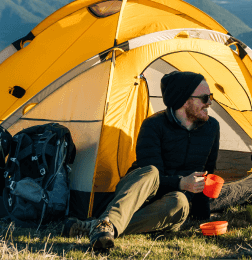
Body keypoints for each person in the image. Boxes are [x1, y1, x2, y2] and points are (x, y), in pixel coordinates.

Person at [64, 71, 220, 252]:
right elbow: (154, 178)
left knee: (180, 202)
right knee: (151, 171)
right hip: (138, 191)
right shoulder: (153, 125)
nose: (209, 102)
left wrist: (202, 215)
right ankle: (107, 223)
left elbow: (208, 172)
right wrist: (182, 182)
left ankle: (99, 227)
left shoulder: (212, 127)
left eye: (211, 97)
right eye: (205, 97)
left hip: (168, 202)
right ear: (185, 100)